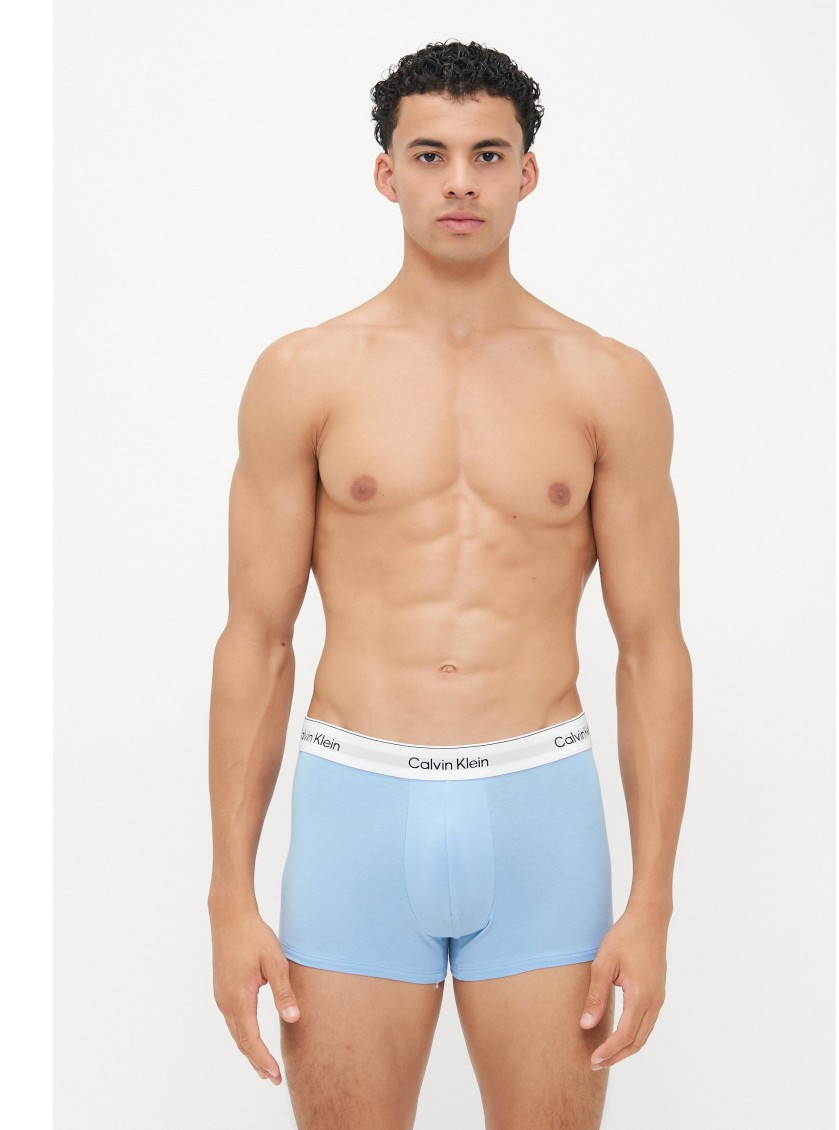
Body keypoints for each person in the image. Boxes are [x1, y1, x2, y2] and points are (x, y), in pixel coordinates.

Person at [207, 38, 692, 1130]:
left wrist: (653, 901)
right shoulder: (304, 374)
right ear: (388, 174)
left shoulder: (608, 382)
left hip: (540, 811)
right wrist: (227, 892)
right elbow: (257, 640)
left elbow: (652, 649)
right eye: (430, 155)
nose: (460, 181)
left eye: (487, 154)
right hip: (355, 809)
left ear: (528, 173)